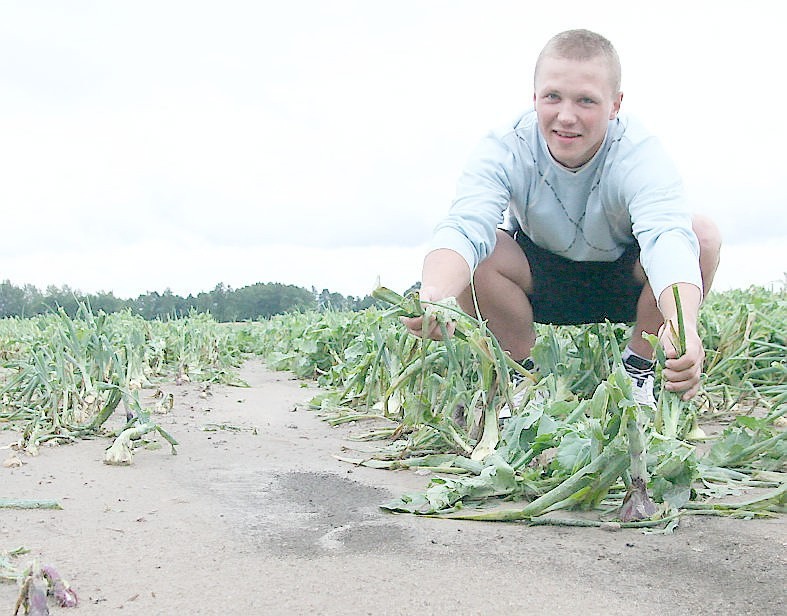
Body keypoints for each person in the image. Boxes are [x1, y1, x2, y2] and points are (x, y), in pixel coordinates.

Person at [401, 28, 722, 408]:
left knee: (699, 234)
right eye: (553, 97)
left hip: (624, 282)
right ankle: (521, 378)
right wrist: (436, 296)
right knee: (483, 251)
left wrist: (681, 324)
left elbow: (666, 238)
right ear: (534, 96)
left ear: (615, 104)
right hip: (539, 280)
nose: (566, 116)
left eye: (586, 101)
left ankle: (639, 369)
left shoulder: (640, 153)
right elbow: (464, 227)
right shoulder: (506, 146)